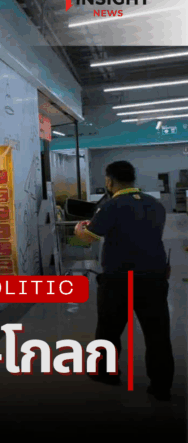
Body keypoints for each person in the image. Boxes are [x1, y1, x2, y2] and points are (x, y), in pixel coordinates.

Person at [74, 161, 173, 401]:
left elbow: (89, 237)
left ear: (109, 181)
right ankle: (161, 385)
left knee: (108, 330)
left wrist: (79, 230)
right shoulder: (155, 204)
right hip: (154, 277)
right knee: (157, 333)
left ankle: (106, 373)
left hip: (118, 280)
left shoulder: (110, 206)